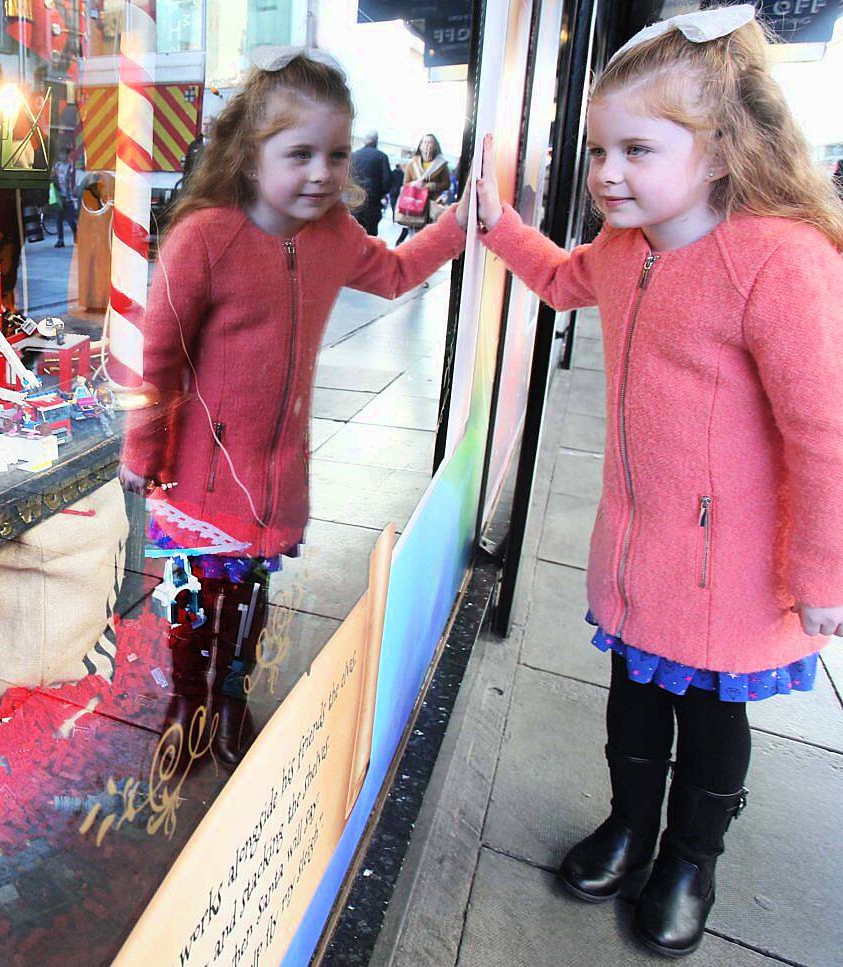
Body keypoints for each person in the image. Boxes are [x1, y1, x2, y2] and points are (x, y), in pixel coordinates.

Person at [472, 6, 843, 957]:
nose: (605, 174)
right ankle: (631, 822)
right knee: (633, 697)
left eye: (637, 149)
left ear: (721, 148)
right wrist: (502, 228)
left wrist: (825, 569)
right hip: (637, 547)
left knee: (713, 718)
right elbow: (561, 281)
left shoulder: (780, 262)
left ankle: (690, 854)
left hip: (732, 568)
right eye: (599, 151)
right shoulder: (625, 250)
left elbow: (826, 431)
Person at [120, 52, 472, 768]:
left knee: (246, 597)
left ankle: (228, 700)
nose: (323, 172)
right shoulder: (205, 238)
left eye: (337, 155)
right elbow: (159, 356)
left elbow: (398, 271)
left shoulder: (335, 235)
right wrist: (142, 451)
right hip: (198, 472)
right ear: (251, 158)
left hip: (274, 472)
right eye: (301, 154)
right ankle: (187, 700)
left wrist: (463, 223)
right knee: (195, 595)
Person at [396, 133, 451, 244]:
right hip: (414, 207)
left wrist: (430, 186)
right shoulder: (412, 164)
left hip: (431, 207)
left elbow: (446, 184)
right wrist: (415, 184)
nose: (426, 145)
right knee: (414, 239)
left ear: (436, 146)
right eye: (424, 142)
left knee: (428, 240)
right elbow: (405, 184)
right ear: (420, 146)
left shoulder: (441, 165)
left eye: (430, 142)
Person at [350, 129, 391, 235]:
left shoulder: (354, 156)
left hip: (354, 201)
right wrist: (381, 193)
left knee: (353, 234)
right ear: (376, 140)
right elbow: (387, 181)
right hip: (373, 202)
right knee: (370, 235)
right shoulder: (382, 157)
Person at [50, 146, 79, 248]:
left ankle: (76, 237)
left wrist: (70, 195)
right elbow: (52, 178)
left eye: (63, 154)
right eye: (60, 154)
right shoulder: (57, 166)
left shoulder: (71, 166)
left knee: (70, 219)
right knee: (58, 219)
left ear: (67, 155)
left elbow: (71, 181)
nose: (61, 156)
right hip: (59, 196)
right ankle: (60, 240)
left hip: (68, 197)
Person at [182, 114, 213, 184]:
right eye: (204, 124)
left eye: (209, 124)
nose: (206, 127)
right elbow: (187, 168)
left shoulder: (219, 146)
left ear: (214, 127)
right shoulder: (194, 145)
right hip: (195, 185)